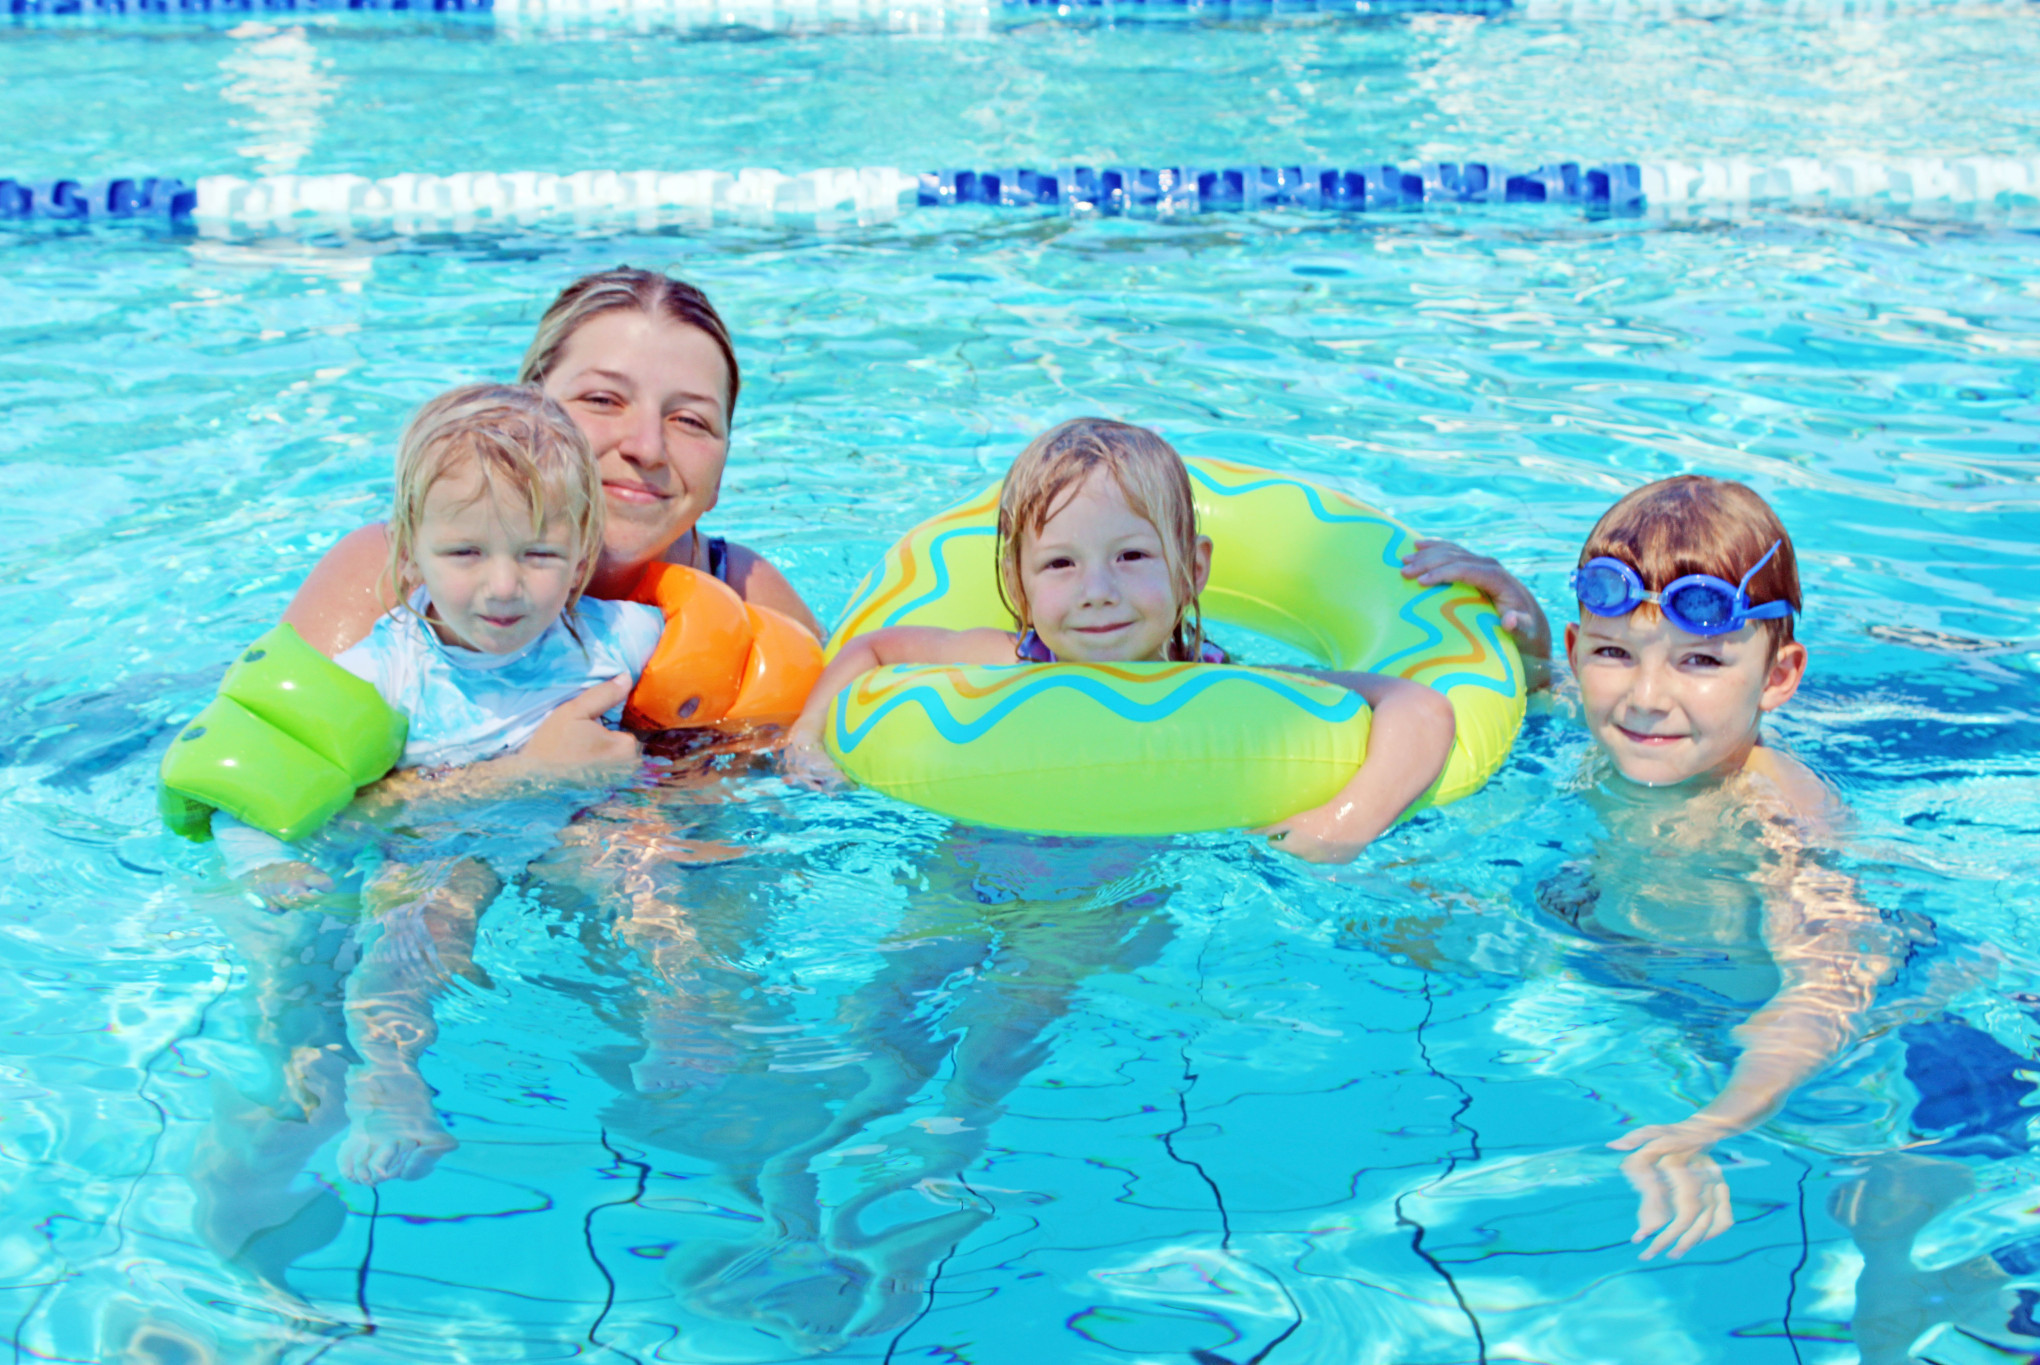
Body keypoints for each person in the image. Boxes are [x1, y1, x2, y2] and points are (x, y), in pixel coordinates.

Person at [1430, 476, 1894, 1260]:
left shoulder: (1772, 817)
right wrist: (1521, 620)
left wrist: (1710, 1125)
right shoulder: (1610, 716)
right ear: (1581, 656)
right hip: (1633, 964)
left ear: (1778, 677)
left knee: (1888, 1197)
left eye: (1701, 660)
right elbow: (1544, 694)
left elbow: (1830, 989)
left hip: (1779, 1035)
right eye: (1615, 652)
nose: (1647, 698)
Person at [220, 382, 665, 1187]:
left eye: (537, 554)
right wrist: (269, 869)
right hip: (434, 850)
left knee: (651, 881)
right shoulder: (389, 672)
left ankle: (685, 1026)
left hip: (571, 832)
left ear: (579, 552)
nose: (503, 586)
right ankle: (390, 1084)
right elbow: (260, 792)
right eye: (466, 553)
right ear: (409, 554)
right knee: (411, 944)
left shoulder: (620, 637)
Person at [783, 417, 1458, 864]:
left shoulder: (1227, 691)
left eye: (1131, 556)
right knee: (899, 990)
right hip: (978, 848)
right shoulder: (1010, 661)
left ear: (1194, 570)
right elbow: (873, 649)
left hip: (1119, 883)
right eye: (1060, 563)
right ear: (1018, 588)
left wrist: (1344, 821)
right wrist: (806, 738)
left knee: (1021, 1015)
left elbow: (1420, 707)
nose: (1097, 589)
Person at [279, 267, 821, 787]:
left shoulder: (747, 594)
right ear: (522, 417)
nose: (646, 447)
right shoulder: (392, 573)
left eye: (691, 421)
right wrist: (518, 776)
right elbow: (281, 802)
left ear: (721, 471)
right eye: (603, 400)